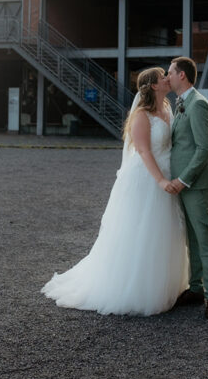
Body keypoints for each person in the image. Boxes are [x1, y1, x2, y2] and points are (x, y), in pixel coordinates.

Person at [41, 67, 189, 316]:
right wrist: (162, 181)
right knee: (141, 232)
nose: (167, 78)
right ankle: (137, 288)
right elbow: (143, 152)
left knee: (164, 231)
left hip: (167, 172)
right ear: (153, 85)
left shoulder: (167, 107)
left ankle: (166, 282)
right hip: (146, 178)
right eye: (163, 76)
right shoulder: (142, 115)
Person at [166, 56, 208, 320]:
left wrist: (184, 178)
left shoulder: (198, 104)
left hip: (196, 183)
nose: (167, 77)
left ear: (182, 76)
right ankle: (197, 287)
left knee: (204, 236)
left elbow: (204, 148)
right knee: (191, 237)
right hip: (183, 183)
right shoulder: (181, 103)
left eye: (170, 72)